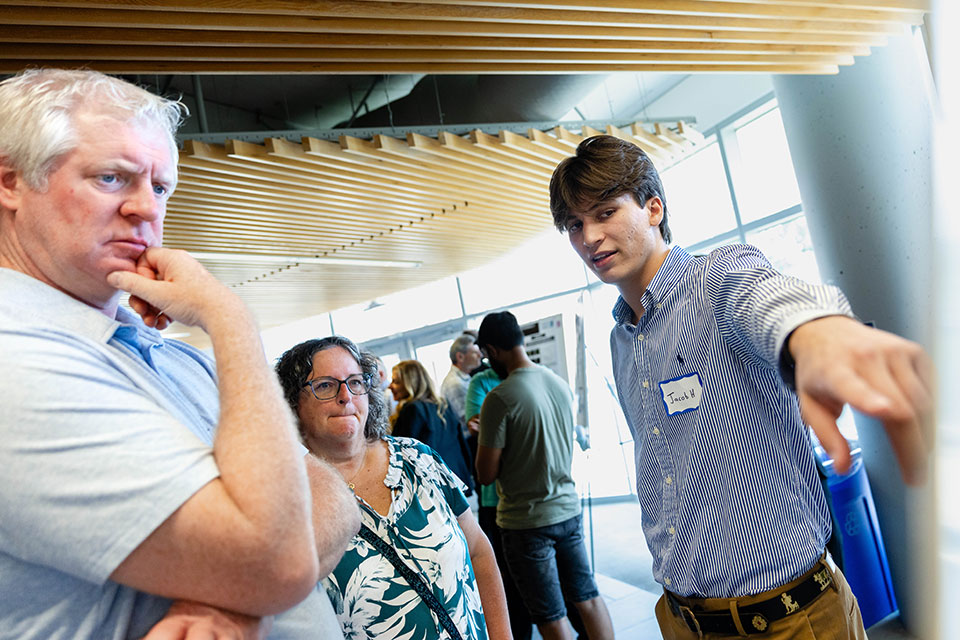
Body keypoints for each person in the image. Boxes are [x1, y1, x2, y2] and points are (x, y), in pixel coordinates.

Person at [0, 68, 358, 639]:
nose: (146, 208)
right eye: (112, 178)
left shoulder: (169, 356)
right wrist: (230, 319)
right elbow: (277, 557)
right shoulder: (14, 364)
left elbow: (327, 491)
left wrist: (233, 603)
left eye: (161, 186)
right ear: (11, 181)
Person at [549, 134, 933, 639]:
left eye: (604, 213)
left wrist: (812, 333)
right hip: (683, 618)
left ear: (653, 209)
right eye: (575, 225)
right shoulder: (622, 341)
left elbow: (770, 299)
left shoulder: (717, 279)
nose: (589, 237)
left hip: (787, 619)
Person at [274, 336, 512, 640]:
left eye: (355, 382)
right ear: (293, 403)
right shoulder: (293, 502)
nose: (346, 395)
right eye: (324, 385)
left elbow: (478, 551)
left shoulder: (418, 459)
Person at [475, 311, 614, 640]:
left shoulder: (499, 398)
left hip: (526, 523)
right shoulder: (558, 383)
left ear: (492, 350)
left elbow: (485, 473)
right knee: (588, 599)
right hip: (568, 509)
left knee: (551, 616)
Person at [390, 359, 476, 494]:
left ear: (409, 383)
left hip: (434, 487)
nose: (390, 386)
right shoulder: (442, 406)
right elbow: (462, 447)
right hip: (455, 481)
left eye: (396, 381)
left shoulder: (413, 410)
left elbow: (400, 454)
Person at [441, 333, 484, 425]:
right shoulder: (455, 383)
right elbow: (469, 418)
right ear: (460, 357)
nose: (480, 355)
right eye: (475, 353)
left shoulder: (464, 377)